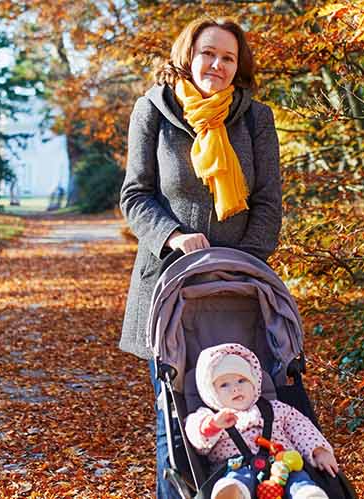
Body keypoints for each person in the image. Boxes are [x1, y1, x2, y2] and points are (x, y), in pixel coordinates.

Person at [117, 17, 284, 499]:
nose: (217, 64)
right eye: (208, 53)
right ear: (188, 55)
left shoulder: (255, 118)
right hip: (166, 288)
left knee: (249, 408)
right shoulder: (154, 109)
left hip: (239, 290)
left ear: (239, 66)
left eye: (228, 57)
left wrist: (242, 264)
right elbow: (135, 195)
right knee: (178, 416)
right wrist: (172, 236)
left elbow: (269, 202)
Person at [186, 343, 338, 499]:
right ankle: (231, 494)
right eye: (224, 384)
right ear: (211, 392)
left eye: (242, 380)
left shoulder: (275, 408)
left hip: (282, 464)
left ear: (254, 383)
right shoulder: (210, 416)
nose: (235, 389)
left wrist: (319, 451)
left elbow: (300, 427)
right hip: (236, 466)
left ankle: (306, 494)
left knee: (298, 478)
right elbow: (197, 436)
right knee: (237, 478)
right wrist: (213, 425)